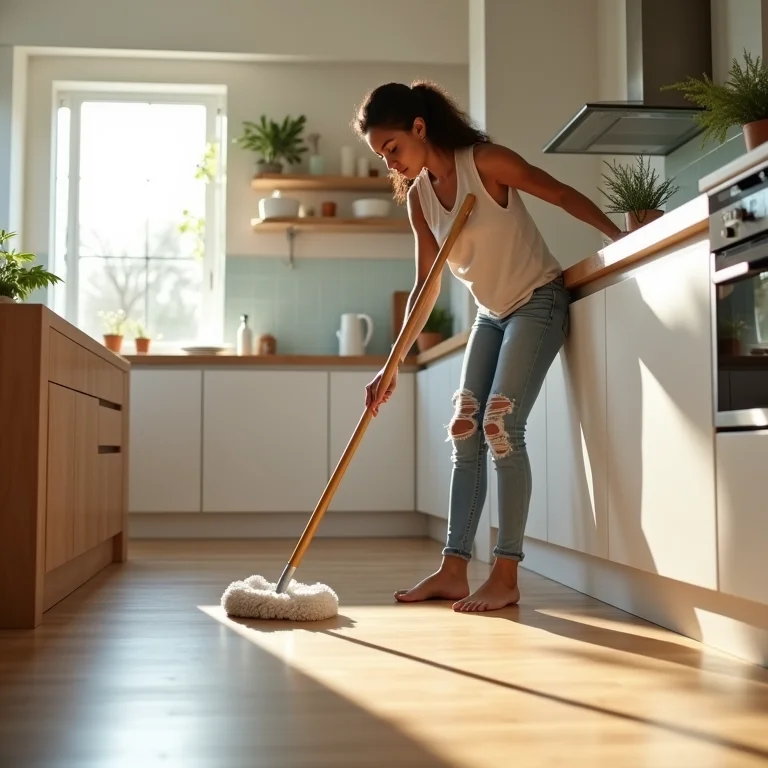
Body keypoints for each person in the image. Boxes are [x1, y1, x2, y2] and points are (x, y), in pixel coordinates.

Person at [353, 80, 624, 613]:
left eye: (393, 149)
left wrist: (620, 237)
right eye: (383, 156)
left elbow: (561, 194)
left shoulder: (487, 163)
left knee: (499, 424)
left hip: (538, 301)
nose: (392, 164)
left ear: (419, 127)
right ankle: (454, 568)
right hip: (493, 315)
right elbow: (425, 288)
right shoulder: (419, 201)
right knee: (464, 428)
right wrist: (389, 367)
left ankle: (505, 573)